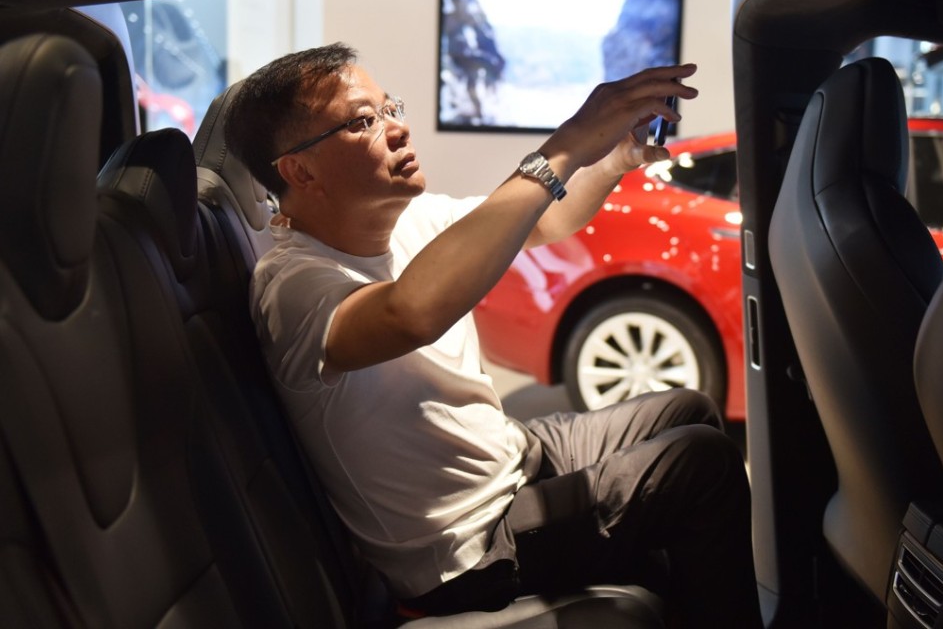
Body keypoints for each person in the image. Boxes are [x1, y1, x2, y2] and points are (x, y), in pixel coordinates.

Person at [224, 42, 762, 628]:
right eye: (363, 122)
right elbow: (411, 313)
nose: (397, 129)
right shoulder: (293, 286)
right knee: (701, 464)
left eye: (389, 108)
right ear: (299, 170)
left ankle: (671, 595)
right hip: (466, 550)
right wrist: (562, 147)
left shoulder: (413, 219)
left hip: (512, 458)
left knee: (690, 409)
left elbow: (547, 218)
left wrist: (611, 160)